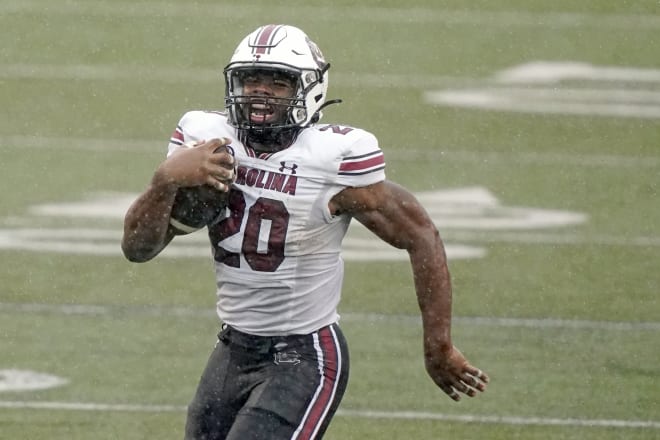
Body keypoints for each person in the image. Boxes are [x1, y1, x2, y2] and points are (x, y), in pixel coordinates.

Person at [121, 24, 489, 440]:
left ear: (309, 89)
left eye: (278, 83)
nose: (260, 92)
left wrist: (437, 344)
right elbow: (137, 249)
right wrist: (164, 180)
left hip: (304, 356)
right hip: (232, 350)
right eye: (250, 80)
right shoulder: (206, 141)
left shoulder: (332, 158)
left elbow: (421, 235)